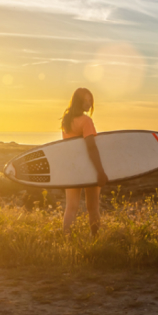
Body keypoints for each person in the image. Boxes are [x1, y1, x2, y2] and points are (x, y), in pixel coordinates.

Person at [60, 88, 109, 235]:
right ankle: (95, 241)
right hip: (89, 169)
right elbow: (91, 148)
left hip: (72, 169)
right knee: (93, 208)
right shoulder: (86, 121)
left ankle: (66, 241)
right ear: (78, 101)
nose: (88, 104)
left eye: (90, 100)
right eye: (85, 100)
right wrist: (100, 172)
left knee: (71, 208)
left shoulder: (66, 120)